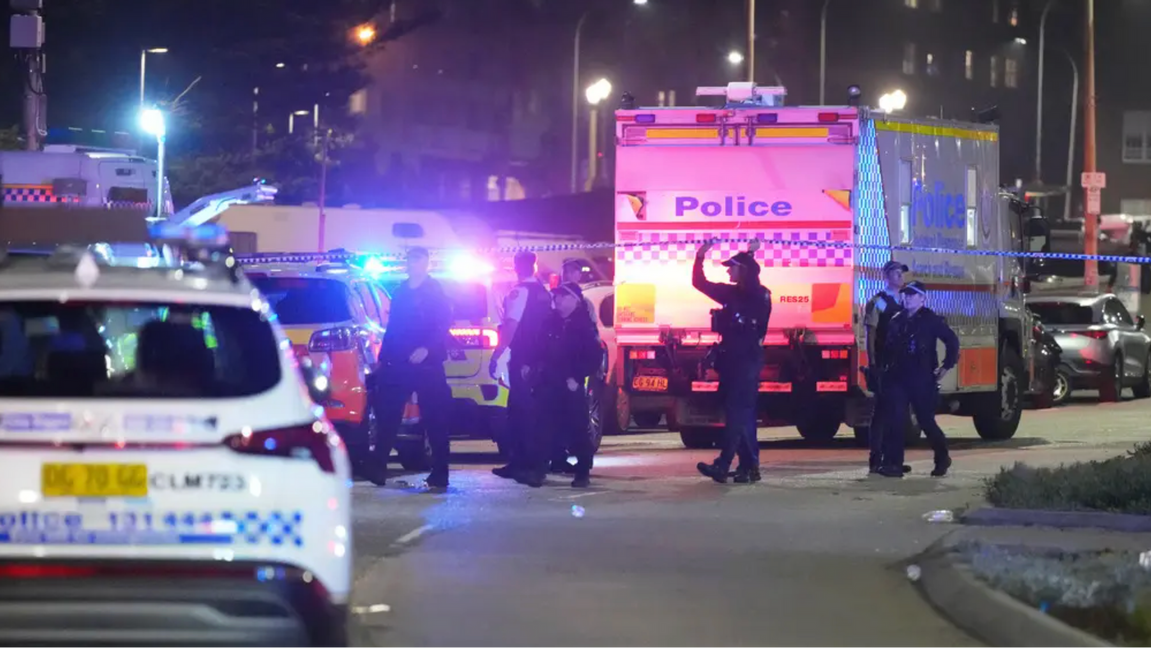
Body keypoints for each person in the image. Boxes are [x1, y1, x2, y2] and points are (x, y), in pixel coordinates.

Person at [367, 247, 454, 489]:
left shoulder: (435, 291)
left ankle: (440, 472)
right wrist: (383, 358)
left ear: (426, 263)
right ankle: (378, 467)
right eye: (409, 259)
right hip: (399, 361)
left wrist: (427, 348)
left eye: (417, 260)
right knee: (388, 414)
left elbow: (443, 324)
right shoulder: (401, 291)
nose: (412, 264)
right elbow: (393, 327)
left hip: (428, 363)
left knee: (435, 418)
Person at [691, 239, 772, 484]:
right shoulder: (732, 292)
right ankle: (749, 466)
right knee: (740, 415)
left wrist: (748, 255)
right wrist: (699, 257)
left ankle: (724, 463)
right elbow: (699, 283)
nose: (728, 271)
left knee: (738, 414)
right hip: (731, 361)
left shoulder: (758, 296)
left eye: (732, 267)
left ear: (743, 271)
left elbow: (752, 309)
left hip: (746, 362)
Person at [877, 281, 959, 479]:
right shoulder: (896, 319)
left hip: (922, 379)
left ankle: (942, 457)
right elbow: (887, 348)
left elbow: (952, 341)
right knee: (895, 420)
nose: (908, 298)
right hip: (898, 378)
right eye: (906, 294)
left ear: (923, 298)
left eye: (913, 295)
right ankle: (893, 464)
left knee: (925, 421)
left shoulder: (931, 320)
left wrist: (946, 366)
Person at [489, 251, 553, 482]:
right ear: (534, 266)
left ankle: (528, 465)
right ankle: (523, 463)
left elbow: (512, 324)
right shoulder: (544, 293)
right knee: (530, 411)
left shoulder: (519, 292)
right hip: (542, 359)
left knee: (520, 411)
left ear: (517, 267)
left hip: (523, 356)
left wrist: (498, 353)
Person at [534, 282, 604, 488]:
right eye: (556, 298)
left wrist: (577, 376)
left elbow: (593, 356)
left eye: (564, 298)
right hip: (548, 382)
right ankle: (539, 469)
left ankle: (582, 471)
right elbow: (540, 349)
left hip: (570, 384)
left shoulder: (583, 326)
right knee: (544, 427)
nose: (559, 302)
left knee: (577, 428)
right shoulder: (550, 322)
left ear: (575, 300)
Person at [862, 260, 911, 475]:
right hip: (884, 363)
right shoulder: (880, 302)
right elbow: (871, 332)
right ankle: (877, 459)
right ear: (887, 276)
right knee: (882, 412)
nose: (901, 277)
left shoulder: (905, 300)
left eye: (902, 273)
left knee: (897, 412)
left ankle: (893, 458)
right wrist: (873, 362)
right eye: (896, 273)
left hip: (901, 364)